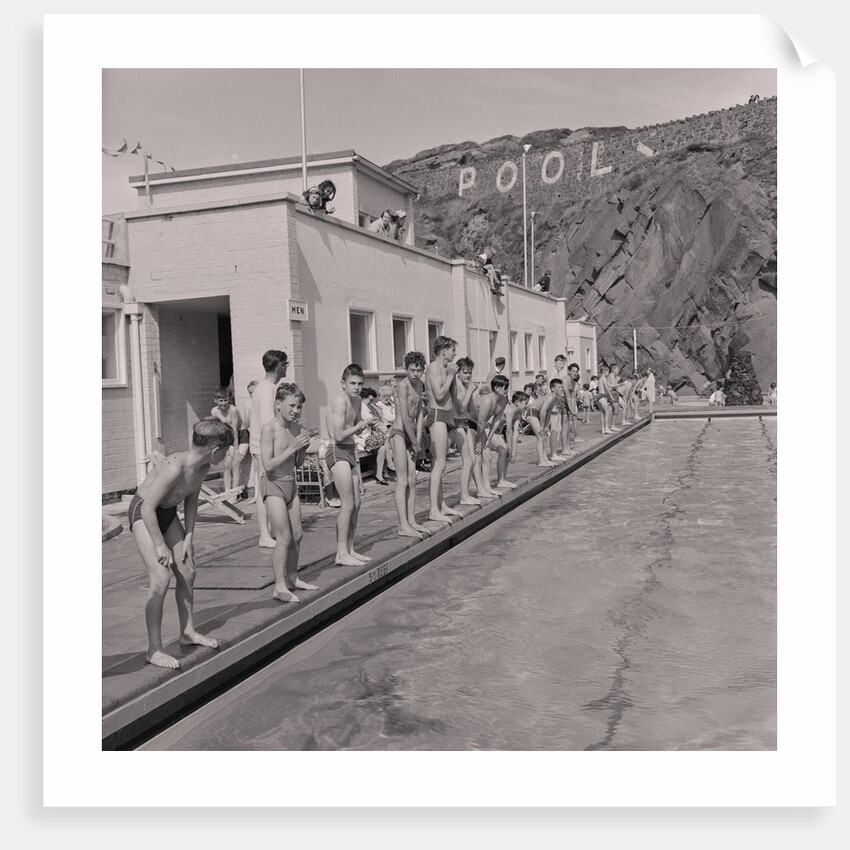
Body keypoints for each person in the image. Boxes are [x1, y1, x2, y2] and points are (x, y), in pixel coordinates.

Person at [129, 418, 233, 669]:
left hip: (167, 514)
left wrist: (188, 537)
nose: (227, 454)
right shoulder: (174, 466)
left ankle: (187, 632)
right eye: (226, 450)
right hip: (144, 512)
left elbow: (191, 501)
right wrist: (159, 544)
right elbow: (148, 508)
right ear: (215, 451)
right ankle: (154, 650)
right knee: (161, 577)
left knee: (187, 570)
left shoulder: (203, 467)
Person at [260, 383, 319, 604]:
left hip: (291, 485)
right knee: (283, 538)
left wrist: (302, 448)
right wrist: (292, 447)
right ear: (278, 404)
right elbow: (268, 465)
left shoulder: (297, 429)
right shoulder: (269, 429)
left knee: (297, 535)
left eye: (299, 407)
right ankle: (279, 586)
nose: (296, 411)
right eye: (292, 406)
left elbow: (298, 463)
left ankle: (292, 578)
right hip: (273, 485)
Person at [327, 364, 372, 566]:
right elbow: (338, 435)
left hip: (350, 450)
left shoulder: (357, 400)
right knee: (347, 504)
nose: (357, 387)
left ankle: (350, 549)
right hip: (337, 450)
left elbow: (357, 425)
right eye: (352, 383)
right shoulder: (340, 401)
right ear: (343, 384)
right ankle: (341, 553)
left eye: (360, 384)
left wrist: (368, 423)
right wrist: (359, 426)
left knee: (356, 503)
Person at [250, 350, 289, 548]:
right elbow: (269, 423)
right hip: (264, 447)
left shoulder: (266, 387)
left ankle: (271, 530)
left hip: (262, 445)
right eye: (286, 364)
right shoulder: (266, 389)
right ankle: (264, 535)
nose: (287, 368)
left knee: (267, 489)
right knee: (264, 490)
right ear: (279, 366)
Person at [389, 351, 430, 539]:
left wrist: (418, 439)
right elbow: (405, 417)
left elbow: (419, 413)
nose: (416, 374)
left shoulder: (420, 384)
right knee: (403, 480)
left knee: (413, 479)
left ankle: (411, 521)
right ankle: (402, 525)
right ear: (406, 369)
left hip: (412, 434)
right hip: (399, 433)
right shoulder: (403, 386)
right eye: (412, 370)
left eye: (419, 370)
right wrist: (415, 443)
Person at [424, 335, 463, 523]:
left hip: (448, 415)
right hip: (437, 414)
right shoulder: (433, 367)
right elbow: (439, 395)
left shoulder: (447, 369)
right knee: (439, 463)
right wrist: (451, 375)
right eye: (453, 350)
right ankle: (433, 510)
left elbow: (454, 397)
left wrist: (454, 376)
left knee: (440, 464)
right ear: (443, 350)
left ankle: (441, 504)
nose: (455, 353)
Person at [451, 357, 482, 506]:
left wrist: (482, 422)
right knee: (467, 460)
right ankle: (464, 495)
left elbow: (470, 410)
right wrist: (470, 391)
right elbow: (460, 408)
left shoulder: (466, 385)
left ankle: (467, 493)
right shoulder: (456, 385)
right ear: (458, 372)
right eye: (465, 372)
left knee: (473, 460)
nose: (468, 376)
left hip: (464, 423)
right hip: (455, 424)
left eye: (470, 373)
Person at [209, 387, 245, 496]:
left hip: (241, 435)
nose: (224, 403)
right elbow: (217, 430)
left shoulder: (233, 410)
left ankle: (235, 494)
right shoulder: (214, 411)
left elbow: (235, 430)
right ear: (215, 400)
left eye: (226, 400)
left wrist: (236, 450)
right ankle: (227, 493)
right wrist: (222, 446)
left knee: (235, 462)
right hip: (228, 436)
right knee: (227, 464)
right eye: (221, 400)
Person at [491, 388, 529, 488]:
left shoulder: (518, 411)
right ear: (517, 402)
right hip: (488, 429)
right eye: (525, 403)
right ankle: (500, 481)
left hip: (497, 432)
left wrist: (514, 451)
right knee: (504, 451)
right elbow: (508, 431)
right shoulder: (509, 410)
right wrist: (510, 447)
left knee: (507, 453)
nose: (527, 405)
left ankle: (503, 479)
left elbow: (516, 432)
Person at [524, 380, 560, 467]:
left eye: (562, 387)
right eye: (559, 387)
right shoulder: (550, 397)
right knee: (540, 437)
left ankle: (545, 459)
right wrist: (542, 426)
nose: (562, 389)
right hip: (532, 413)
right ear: (552, 389)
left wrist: (546, 426)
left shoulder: (555, 398)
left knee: (544, 437)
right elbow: (543, 411)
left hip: (538, 413)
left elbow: (548, 412)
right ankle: (541, 461)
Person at [374, 382, 397, 485]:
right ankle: (391, 464)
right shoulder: (378, 406)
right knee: (389, 438)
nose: (386, 398)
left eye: (388, 396)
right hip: (385, 429)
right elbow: (387, 418)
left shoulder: (391, 404)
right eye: (384, 396)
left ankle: (397, 466)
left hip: (392, 427)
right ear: (379, 396)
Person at [596, 365, 616, 434]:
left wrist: (620, 384)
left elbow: (609, 385)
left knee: (602, 413)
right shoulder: (603, 378)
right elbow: (607, 387)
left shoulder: (600, 378)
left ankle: (603, 429)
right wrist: (611, 396)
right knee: (607, 412)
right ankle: (606, 428)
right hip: (602, 396)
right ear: (605, 371)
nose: (608, 374)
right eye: (608, 372)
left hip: (599, 396)